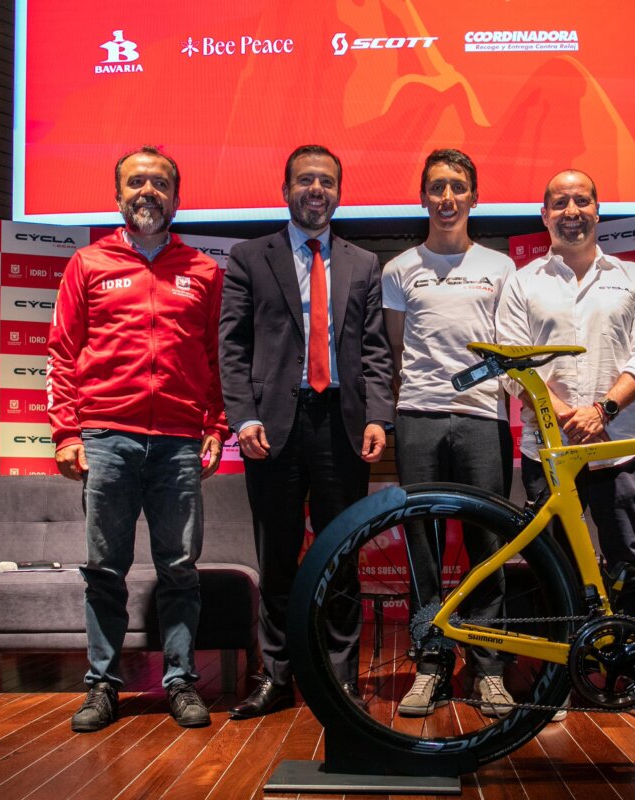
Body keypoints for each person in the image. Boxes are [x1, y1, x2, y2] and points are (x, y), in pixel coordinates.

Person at [47, 146, 229, 733]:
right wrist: (67, 433)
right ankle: (102, 685)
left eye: (158, 183)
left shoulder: (203, 270)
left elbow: (215, 359)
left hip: (178, 439)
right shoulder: (87, 263)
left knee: (179, 567)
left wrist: (215, 426)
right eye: (135, 183)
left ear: (177, 197)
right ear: (118, 195)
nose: (146, 191)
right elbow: (62, 352)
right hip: (106, 437)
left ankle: (180, 681)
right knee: (105, 568)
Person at [219, 144, 394, 719]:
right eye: (304, 180)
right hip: (272, 426)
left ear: (339, 192)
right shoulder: (249, 257)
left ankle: (341, 676)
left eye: (326, 180)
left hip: (341, 423)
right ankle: (276, 676)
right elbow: (233, 347)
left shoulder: (362, 263)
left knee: (342, 553)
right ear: (285, 189)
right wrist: (243, 417)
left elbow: (374, 348)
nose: (315, 189)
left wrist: (376, 414)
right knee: (277, 556)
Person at [495, 169, 635, 727]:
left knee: (630, 567)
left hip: (621, 447)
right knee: (558, 573)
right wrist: (561, 412)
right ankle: (558, 683)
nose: (572, 210)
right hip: (548, 452)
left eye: (582, 199)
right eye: (559, 202)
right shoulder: (522, 282)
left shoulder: (632, 276)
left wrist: (605, 411)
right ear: (544, 214)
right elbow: (509, 360)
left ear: (598, 209)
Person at [382, 149, 517, 718]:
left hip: (484, 417)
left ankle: (488, 669)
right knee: (423, 547)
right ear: (423, 198)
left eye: (457, 187)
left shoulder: (501, 266)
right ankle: (432, 665)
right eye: (436, 187)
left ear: (473, 198)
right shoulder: (398, 269)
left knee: (487, 543)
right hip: (418, 417)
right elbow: (395, 349)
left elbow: (509, 347)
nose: (446, 197)